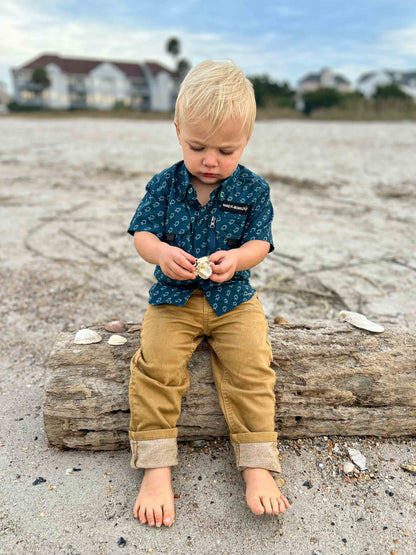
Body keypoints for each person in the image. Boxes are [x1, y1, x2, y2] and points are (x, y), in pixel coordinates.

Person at [127, 60, 290, 527]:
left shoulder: (253, 189)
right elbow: (141, 235)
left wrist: (236, 259)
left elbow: (260, 242)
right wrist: (160, 253)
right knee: (155, 367)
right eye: (197, 146)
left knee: (252, 369)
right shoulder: (164, 184)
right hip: (173, 301)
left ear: (247, 140)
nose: (211, 160)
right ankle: (156, 467)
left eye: (226, 149)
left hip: (232, 299)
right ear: (178, 130)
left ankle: (258, 466)